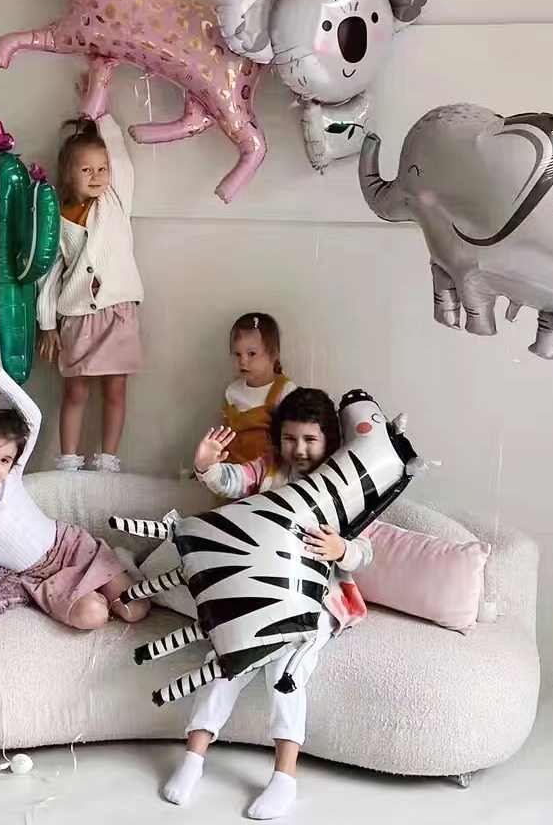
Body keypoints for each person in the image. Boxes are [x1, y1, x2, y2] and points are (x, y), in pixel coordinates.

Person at [164, 387, 372, 820]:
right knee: (225, 660)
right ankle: (193, 759)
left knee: (285, 671)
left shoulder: (345, 484)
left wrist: (341, 549)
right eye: (290, 438)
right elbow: (232, 480)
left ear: (329, 439)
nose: (300, 449)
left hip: (318, 600)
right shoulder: (270, 469)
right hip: (260, 592)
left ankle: (284, 778)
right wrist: (205, 465)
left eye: (310, 439)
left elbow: (366, 551)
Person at [0, 346, 149, 630]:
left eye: (4, 459)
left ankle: (114, 569)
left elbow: (33, 419)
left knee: (136, 610)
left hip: (70, 547)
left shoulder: (10, 477)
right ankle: (96, 593)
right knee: (93, 616)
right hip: (43, 578)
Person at [37, 108, 144, 473]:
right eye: (87, 170)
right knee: (76, 391)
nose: (97, 175)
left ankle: (108, 461)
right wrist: (47, 324)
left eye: (102, 168)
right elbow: (50, 274)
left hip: (118, 313)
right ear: (69, 173)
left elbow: (121, 160)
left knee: (116, 390)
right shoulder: (57, 216)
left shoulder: (115, 200)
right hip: (77, 316)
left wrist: (102, 112)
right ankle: (69, 462)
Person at [222, 313, 296, 465]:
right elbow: (223, 434)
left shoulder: (285, 391)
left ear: (273, 354)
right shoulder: (232, 392)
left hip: (270, 468)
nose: (243, 361)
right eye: (237, 354)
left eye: (251, 354)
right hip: (235, 467)